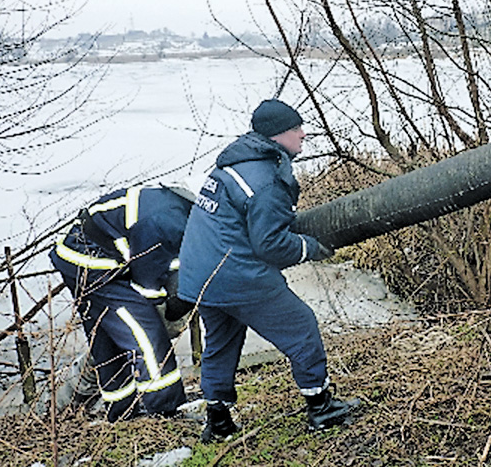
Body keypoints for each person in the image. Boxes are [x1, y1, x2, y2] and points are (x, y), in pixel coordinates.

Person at [178, 98, 359, 442]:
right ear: (279, 136)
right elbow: (271, 245)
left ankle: (217, 422)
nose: (303, 134)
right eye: (296, 129)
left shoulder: (232, 165)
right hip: (237, 274)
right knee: (301, 326)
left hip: (200, 275)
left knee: (221, 341)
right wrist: (310, 248)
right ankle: (321, 408)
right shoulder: (266, 180)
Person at [50, 184, 194, 422]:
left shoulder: (177, 211)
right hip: (93, 264)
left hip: (77, 258)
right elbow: (147, 285)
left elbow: (168, 260)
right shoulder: (162, 222)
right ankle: (166, 407)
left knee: (107, 341)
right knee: (146, 332)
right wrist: (170, 308)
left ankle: (122, 409)